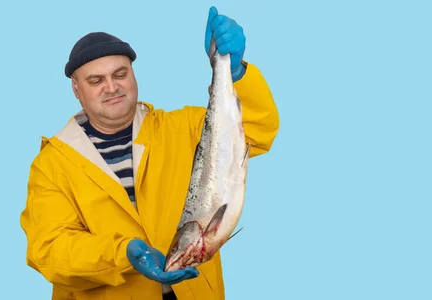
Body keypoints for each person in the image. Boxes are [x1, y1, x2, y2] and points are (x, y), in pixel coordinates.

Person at [20, 5, 279, 300]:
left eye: (121, 74)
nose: (112, 87)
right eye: (96, 80)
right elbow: (49, 250)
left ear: (133, 75)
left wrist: (235, 72)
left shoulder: (182, 128)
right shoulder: (51, 164)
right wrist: (124, 254)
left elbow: (256, 131)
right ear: (76, 89)